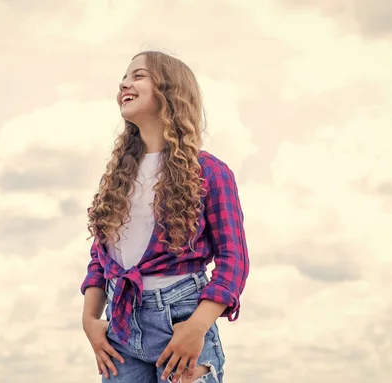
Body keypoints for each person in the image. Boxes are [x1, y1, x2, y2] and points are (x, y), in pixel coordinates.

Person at [80, 50, 249, 383]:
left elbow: (234, 260)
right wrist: (89, 320)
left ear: (170, 90)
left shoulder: (210, 173)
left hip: (181, 324)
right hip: (121, 329)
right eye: (124, 77)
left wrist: (198, 327)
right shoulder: (118, 178)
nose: (124, 83)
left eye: (138, 75)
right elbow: (101, 260)